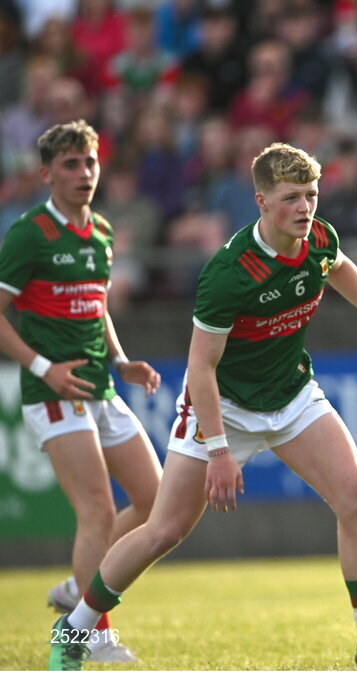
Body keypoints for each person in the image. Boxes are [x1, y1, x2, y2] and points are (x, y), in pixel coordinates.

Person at [47, 143, 357, 670]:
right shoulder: (230, 272)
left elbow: (338, 267)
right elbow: (200, 369)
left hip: (290, 395)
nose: (305, 208)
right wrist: (219, 450)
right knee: (164, 530)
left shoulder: (316, 237)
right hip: (222, 406)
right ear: (261, 201)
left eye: (311, 195)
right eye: (292, 198)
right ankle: (75, 628)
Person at [0, 120, 161, 664]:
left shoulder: (102, 232)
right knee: (96, 511)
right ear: (46, 174)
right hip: (53, 391)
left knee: (156, 501)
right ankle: (90, 636)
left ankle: (77, 590)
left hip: (101, 383)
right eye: (71, 164)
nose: (84, 173)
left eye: (89, 162)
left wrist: (121, 360)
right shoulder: (29, 235)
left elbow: (97, 308)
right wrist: (43, 367)